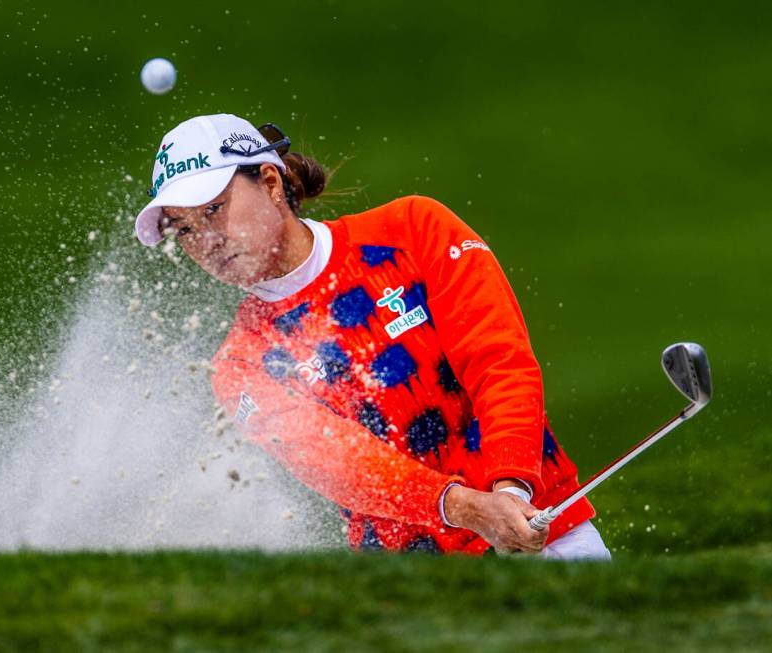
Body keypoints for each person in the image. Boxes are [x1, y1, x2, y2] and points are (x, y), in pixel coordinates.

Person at [134, 113, 610, 560]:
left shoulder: (413, 229)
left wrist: (510, 492)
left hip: (547, 534)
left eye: (215, 210)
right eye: (184, 229)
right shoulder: (241, 365)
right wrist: (467, 508)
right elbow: (343, 466)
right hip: (411, 585)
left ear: (271, 183)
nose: (205, 241)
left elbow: (500, 363)